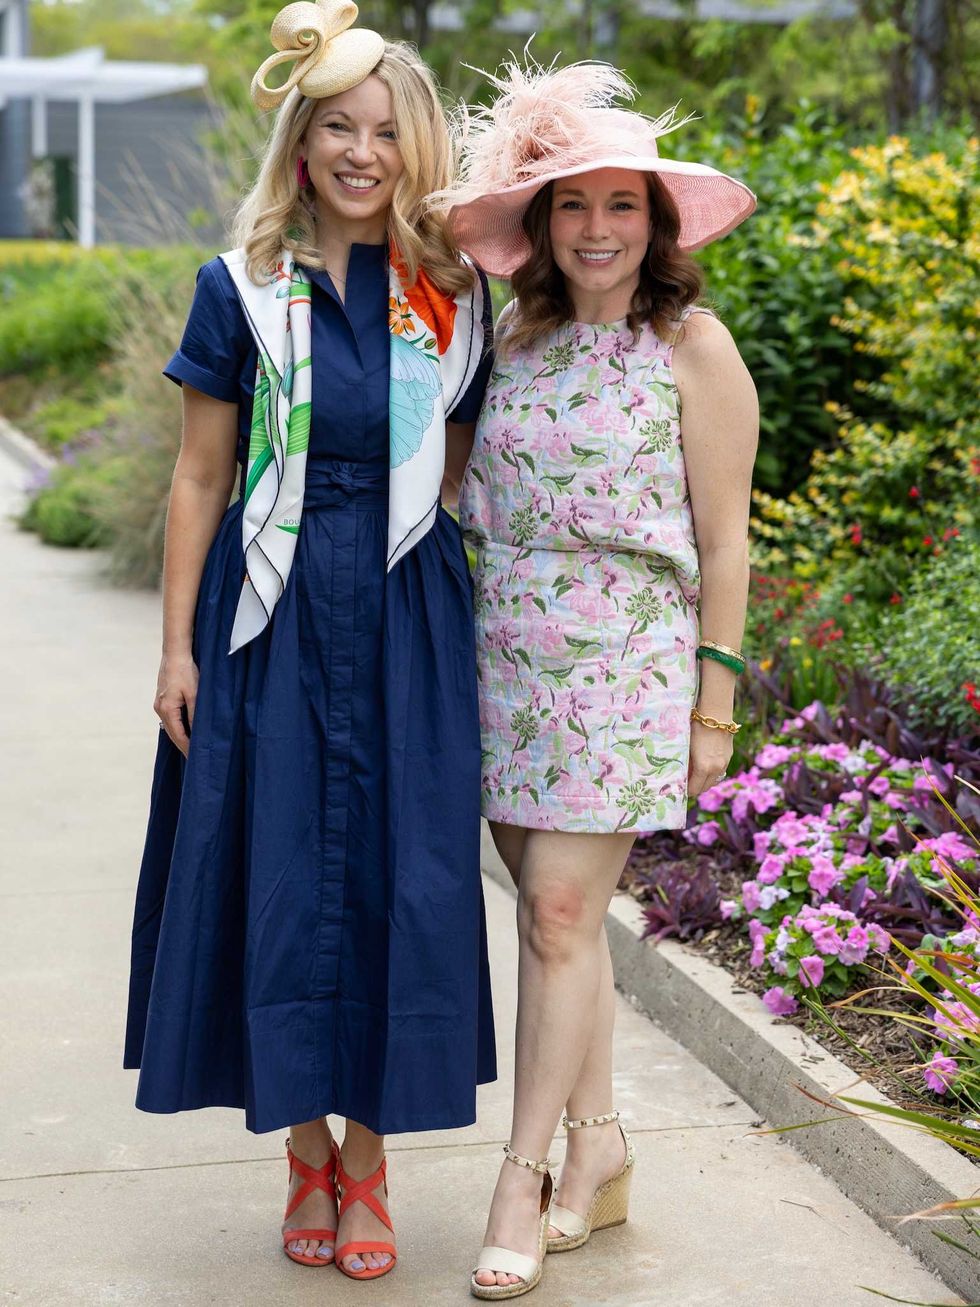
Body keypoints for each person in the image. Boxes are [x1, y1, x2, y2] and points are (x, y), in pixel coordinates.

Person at [123, 0, 496, 1281]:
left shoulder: (451, 294)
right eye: (337, 126)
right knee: (269, 865)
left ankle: (373, 1158)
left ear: (416, 148)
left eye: (385, 130)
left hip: (401, 602)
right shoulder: (243, 289)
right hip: (267, 606)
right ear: (299, 139)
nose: (361, 151)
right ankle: (301, 1147)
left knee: (407, 871)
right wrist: (176, 646)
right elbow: (196, 477)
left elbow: (446, 473)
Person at [436, 58, 759, 1298]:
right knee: (553, 923)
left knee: (559, 921)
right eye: (571, 204)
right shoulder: (508, 336)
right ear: (537, 223)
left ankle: (518, 1178)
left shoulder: (692, 343)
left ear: (655, 220)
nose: (597, 229)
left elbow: (726, 535)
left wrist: (712, 705)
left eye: (620, 204)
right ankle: (601, 1144)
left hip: (626, 665)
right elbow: (454, 483)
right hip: (501, 658)